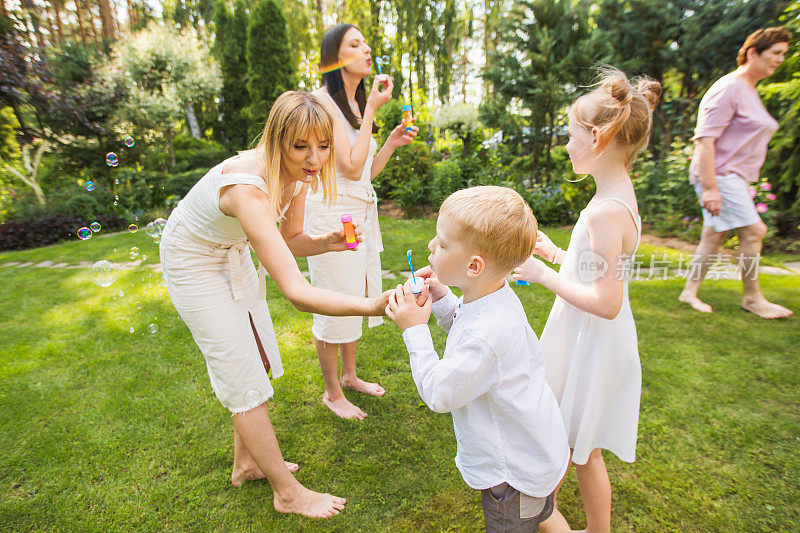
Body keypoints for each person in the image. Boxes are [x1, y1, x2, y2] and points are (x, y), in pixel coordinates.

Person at [159, 91, 389, 519]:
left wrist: (325, 242)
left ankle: (247, 464)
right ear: (276, 140)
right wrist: (371, 305)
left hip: (231, 251)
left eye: (323, 145)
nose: (315, 158)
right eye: (301, 146)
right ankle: (287, 493)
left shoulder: (299, 176)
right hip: (192, 260)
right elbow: (297, 293)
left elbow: (291, 239)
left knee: (254, 355)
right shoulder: (247, 190)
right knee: (239, 370)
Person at [514, 69, 661, 533]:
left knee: (575, 444)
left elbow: (606, 301)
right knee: (580, 446)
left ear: (596, 136)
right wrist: (556, 253)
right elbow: (596, 268)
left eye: (570, 136)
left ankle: (545, 516)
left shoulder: (604, 212)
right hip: (589, 337)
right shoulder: (615, 198)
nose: (566, 145)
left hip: (593, 340)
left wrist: (542, 275)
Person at [386, 186, 570, 532]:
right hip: (536, 449)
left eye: (441, 244)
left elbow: (441, 393)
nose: (430, 246)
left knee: (524, 519)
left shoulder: (487, 334)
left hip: (514, 474)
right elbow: (465, 323)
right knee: (543, 516)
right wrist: (441, 297)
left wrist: (414, 330)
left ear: (474, 265)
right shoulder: (493, 296)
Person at [304, 23, 419, 420]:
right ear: (335, 58)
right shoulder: (322, 102)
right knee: (335, 297)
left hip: (358, 212)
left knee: (354, 293)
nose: (367, 49)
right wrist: (372, 110)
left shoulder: (353, 104)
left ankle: (350, 376)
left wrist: (390, 142)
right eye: (355, 45)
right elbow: (351, 171)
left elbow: (364, 172)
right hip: (334, 215)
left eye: (366, 43)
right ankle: (332, 392)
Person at [679, 26, 793, 319]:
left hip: (735, 177)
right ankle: (753, 298)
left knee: (714, 235)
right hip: (720, 175)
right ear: (753, 52)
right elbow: (705, 139)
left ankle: (689, 292)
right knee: (755, 231)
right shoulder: (729, 87)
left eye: (784, 54)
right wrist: (711, 187)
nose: (780, 59)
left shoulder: (748, 89)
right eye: (776, 53)